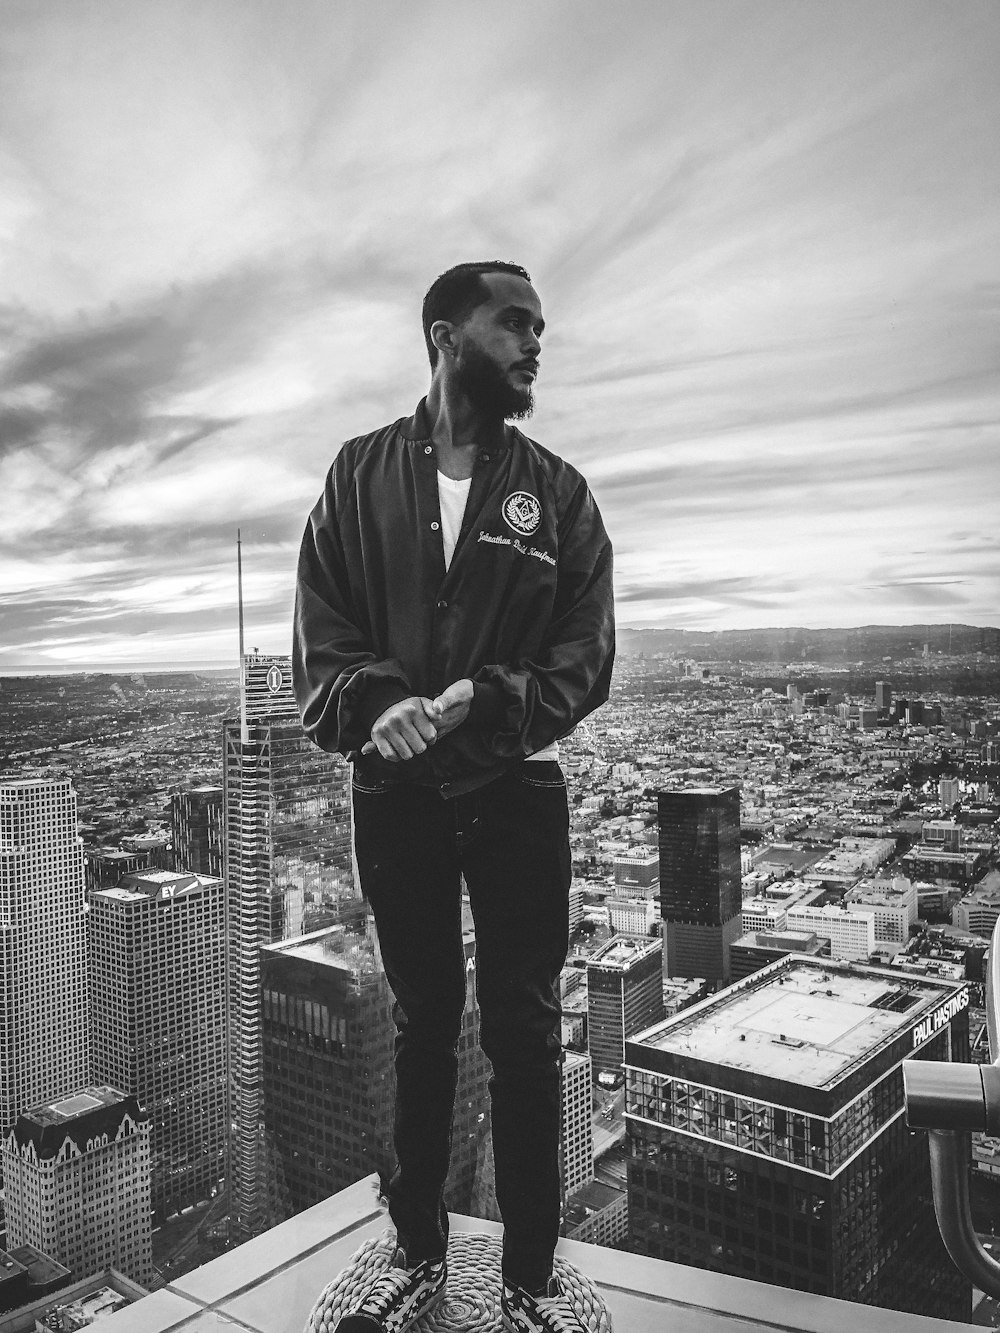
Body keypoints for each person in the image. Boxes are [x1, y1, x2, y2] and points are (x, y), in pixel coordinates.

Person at [293, 260, 615, 1333]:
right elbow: (320, 638)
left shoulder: (557, 495)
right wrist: (373, 701)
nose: (534, 342)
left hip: (515, 787)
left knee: (523, 1027)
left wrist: (491, 696)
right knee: (422, 1021)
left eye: (538, 326)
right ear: (446, 336)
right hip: (396, 794)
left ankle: (529, 1277)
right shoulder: (358, 476)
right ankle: (416, 1249)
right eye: (512, 323)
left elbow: (586, 656)